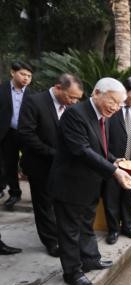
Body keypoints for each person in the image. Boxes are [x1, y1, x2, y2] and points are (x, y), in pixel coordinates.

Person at [49, 77, 131, 285]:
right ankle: (73, 272)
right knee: (69, 230)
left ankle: (90, 258)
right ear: (97, 93)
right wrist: (114, 171)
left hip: (89, 184)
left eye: (119, 104)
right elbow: (81, 150)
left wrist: (113, 159)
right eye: (112, 101)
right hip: (70, 185)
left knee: (86, 224)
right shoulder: (75, 114)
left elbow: (97, 147)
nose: (115, 108)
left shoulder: (101, 117)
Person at [18, 74, 84, 257]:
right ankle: (51, 241)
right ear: (58, 88)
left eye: (77, 98)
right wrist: (53, 153)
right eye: (71, 97)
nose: (74, 102)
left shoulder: (71, 107)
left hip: (64, 167)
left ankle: (64, 236)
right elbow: (26, 134)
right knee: (44, 204)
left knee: (61, 203)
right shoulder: (34, 102)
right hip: (40, 164)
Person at [102, 77, 131, 245]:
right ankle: (113, 230)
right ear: (124, 91)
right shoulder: (111, 110)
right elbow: (103, 139)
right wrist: (111, 159)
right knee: (111, 197)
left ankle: (127, 227)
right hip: (113, 163)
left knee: (128, 198)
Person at [0, 61, 33, 210]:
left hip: (27, 134)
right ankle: (14, 193)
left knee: (31, 164)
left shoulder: (33, 94)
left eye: (29, 76)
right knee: (9, 164)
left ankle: (36, 194)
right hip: (8, 133)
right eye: (23, 74)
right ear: (13, 73)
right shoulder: (2, 90)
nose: (26, 78)